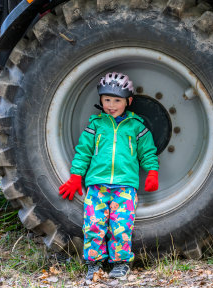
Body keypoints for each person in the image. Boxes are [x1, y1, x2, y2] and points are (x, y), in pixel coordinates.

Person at [58, 72, 160, 281]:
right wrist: (76, 176)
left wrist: (152, 172)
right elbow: (83, 152)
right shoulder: (95, 125)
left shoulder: (137, 127)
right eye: (107, 100)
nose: (111, 105)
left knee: (121, 226)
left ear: (128, 101)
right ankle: (94, 264)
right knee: (93, 225)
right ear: (100, 100)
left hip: (125, 187)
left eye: (116, 100)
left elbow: (147, 152)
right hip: (97, 186)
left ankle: (121, 263)